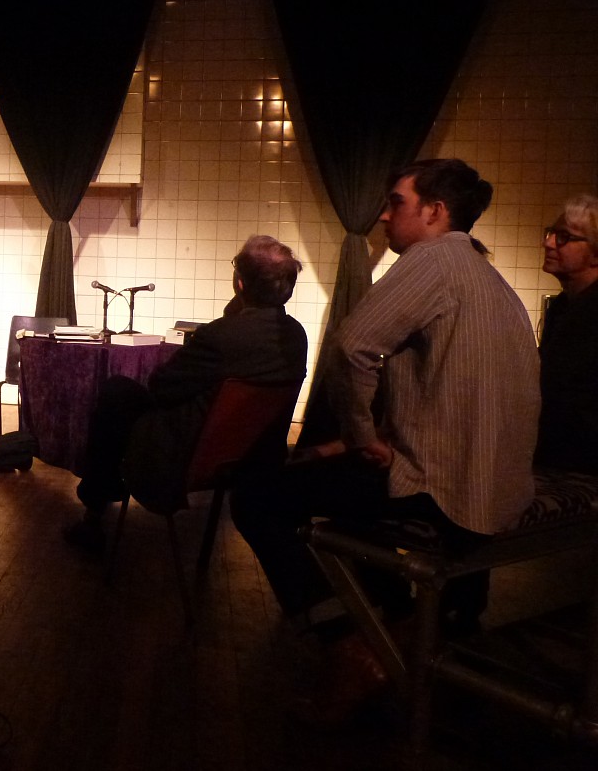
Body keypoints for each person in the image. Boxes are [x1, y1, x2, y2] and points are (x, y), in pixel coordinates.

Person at [231, 158, 540, 724]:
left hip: (449, 491)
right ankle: (394, 622)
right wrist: (355, 445)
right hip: (498, 485)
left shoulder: (433, 259)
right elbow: (450, 399)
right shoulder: (488, 277)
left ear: (435, 212)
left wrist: (358, 435)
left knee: (256, 496)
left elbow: (352, 347)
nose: (382, 215)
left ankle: (347, 643)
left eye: (396, 202)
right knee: (334, 495)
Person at [62, 235, 308, 554]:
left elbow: (161, 388)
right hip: (254, 460)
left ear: (240, 284)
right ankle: (99, 497)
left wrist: (230, 314)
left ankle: (94, 512)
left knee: (117, 393)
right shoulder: (296, 336)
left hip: (187, 458)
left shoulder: (219, 336)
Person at [536, 193, 598, 472]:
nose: (548, 243)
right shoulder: (563, 305)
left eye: (564, 237)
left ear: (595, 253)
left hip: (581, 468)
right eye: (551, 233)